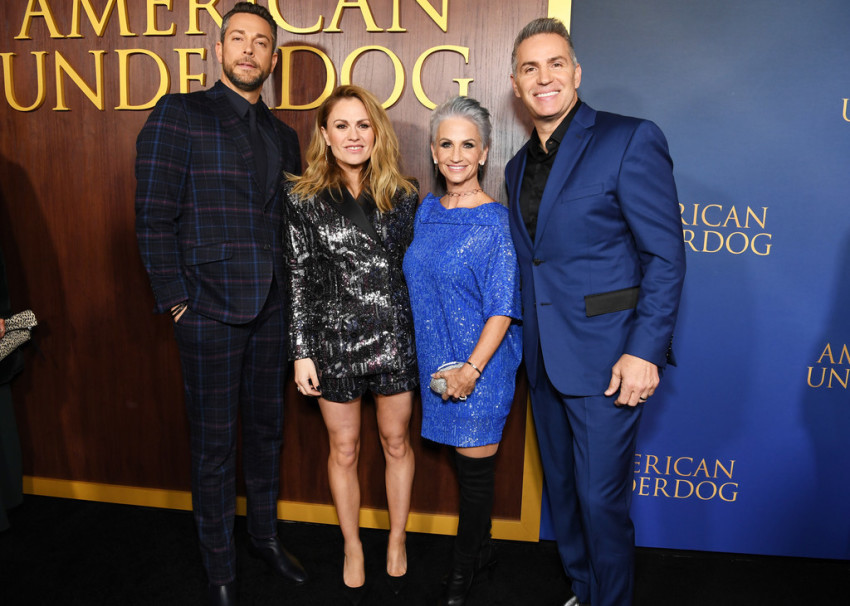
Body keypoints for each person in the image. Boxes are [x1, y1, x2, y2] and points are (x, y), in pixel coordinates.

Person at [505, 18, 686, 606]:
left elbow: (664, 256)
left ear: (577, 73)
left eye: (556, 63)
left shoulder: (628, 138)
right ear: (516, 84)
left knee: (601, 501)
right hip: (544, 360)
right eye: (530, 68)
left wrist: (643, 350)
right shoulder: (513, 167)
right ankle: (582, 589)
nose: (544, 77)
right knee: (563, 493)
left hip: (609, 359)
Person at [134, 4, 306, 605]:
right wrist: (177, 302)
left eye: (261, 42)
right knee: (212, 445)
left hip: (272, 310)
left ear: (273, 57)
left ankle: (263, 537)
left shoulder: (286, 137)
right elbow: (153, 217)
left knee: (267, 434)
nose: (249, 51)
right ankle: (220, 568)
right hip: (205, 309)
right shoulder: (181, 112)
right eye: (239, 39)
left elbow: (289, 227)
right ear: (219, 48)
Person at [283, 85, 418, 603]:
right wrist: (301, 350)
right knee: (344, 448)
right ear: (324, 134)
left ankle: (398, 538)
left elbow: (414, 273)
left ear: (376, 130)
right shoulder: (302, 198)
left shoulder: (403, 193)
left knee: (396, 443)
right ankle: (353, 545)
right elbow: (297, 276)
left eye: (363, 124)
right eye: (342, 125)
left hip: (393, 336)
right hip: (333, 341)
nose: (354, 135)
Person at [403, 96, 522, 606]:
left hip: (482, 365)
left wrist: (472, 369)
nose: (456, 155)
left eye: (467, 145)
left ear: (484, 153)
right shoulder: (426, 211)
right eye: (446, 143)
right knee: (462, 467)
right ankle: (485, 550)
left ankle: (461, 573)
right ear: (433, 151)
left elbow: (503, 307)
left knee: (474, 476)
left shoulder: (496, 222)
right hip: (436, 364)